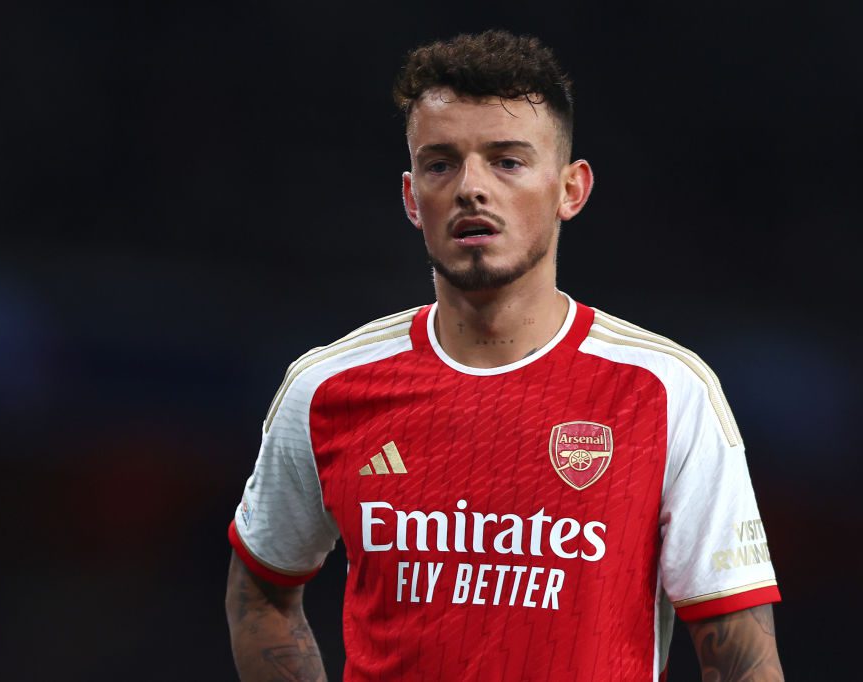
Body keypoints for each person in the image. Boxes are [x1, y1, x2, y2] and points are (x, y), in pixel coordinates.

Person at [224, 30, 784, 682]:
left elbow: (741, 655)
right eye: (440, 164)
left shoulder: (665, 392)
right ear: (412, 199)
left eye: (507, 161)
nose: (470, 188)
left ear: (570, 190)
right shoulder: (327, 389)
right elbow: (260, 592)